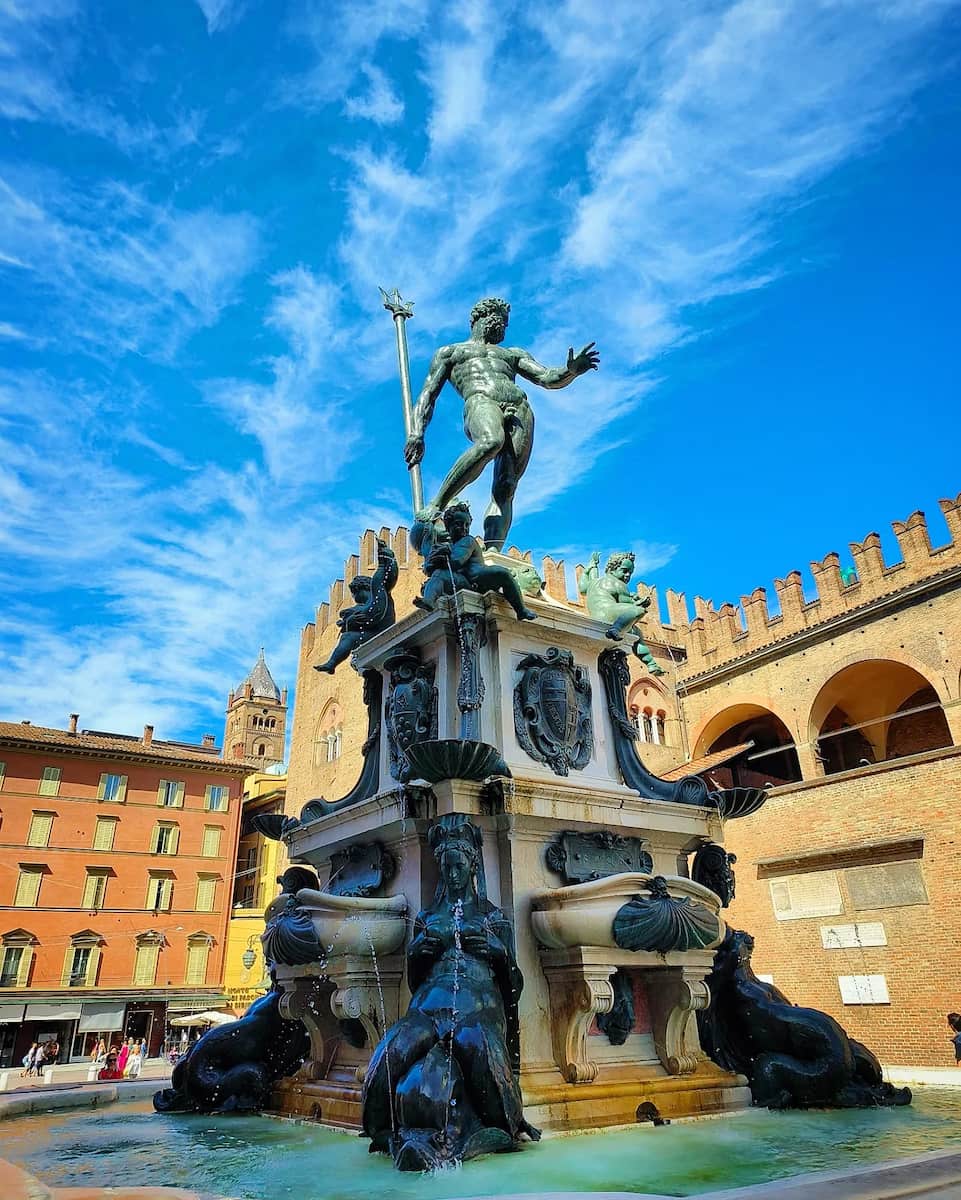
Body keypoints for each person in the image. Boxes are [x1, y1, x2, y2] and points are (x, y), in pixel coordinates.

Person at [362, 813, 539, 1170]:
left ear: (472, 865)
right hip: (426, 1011)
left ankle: (505, 1124)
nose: (453, 874)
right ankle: (382, 1129)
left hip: (477, 1011)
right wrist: (416, 954)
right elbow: (415, 982)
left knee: (479, 1045)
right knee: (391, 1050)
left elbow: (514, 987)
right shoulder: (427, 918)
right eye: (446, 867)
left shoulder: (493, 918)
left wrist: (498, 953)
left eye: (459, 866)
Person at [404, 297, 599, 550]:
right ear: (482, 318)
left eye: (506, 324)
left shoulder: (512, 355)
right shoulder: (451, 353)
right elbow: (428, 395)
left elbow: (547, 378)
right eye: (500, 321)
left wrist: (570, 371)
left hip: (520, 409)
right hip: (481, 401)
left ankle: (493, 550)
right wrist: (417, 433)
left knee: (506, 485)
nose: (503, 328)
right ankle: (438, 505)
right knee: (490, 441)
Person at [412, 500, 536, 621]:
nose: (464, 528)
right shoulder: (450, 546)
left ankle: (521, 610)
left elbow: (456, 561)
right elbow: (434, 569)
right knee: (439, 575)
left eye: (467, 525)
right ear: (448, 526)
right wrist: (429, 550)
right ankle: (429, 600)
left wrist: (436, 559)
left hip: (480, 577)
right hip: (466, 583)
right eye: (458, 524)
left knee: (503, 573)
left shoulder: (468, 541)